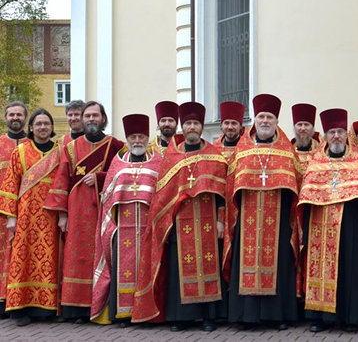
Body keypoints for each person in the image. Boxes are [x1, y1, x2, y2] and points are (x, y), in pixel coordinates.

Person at [132, 102, 227, 331]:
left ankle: (208, 318)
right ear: (182, 127)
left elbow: (224, 193)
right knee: (178, 270)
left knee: (208, 267)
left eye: (195, 123)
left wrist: (220, 219)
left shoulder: (215, 155)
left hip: (207, 221)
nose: (191, 127)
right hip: (179, 223)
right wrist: (165, 222)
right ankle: (180, 318)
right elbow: (163, 195)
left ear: (201, 127)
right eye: (188, 124)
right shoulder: (172, 156)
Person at [299, 108, 358, 333]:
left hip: (350, 228)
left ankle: (351, 318)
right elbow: (306, 196)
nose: (336, 136)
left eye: (340, 131)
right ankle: (320, 318)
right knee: (319, 271)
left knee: (350, 272)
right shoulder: (315, 163)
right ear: (326, 135)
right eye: (331, 132)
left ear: (346, 135)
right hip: (319, 227)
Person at [223, 94, 300, 330]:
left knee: (279, 263)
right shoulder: (243, 149)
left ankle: (276, 316)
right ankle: (245, 317)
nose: (265, 121)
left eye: (269, 117)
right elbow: (230, 186)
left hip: (277, 220)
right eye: (261, 117)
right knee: (245, 261)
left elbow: (296, 183)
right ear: (254, 120)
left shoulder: (286, 150)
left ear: (276, 121)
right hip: (246, 218)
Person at [44, 100, 125, 323]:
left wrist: (99, 178)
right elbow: (61, 179)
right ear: (82, 119)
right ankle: (77, 310)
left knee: (104, 256)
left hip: (105, 210)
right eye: (87, 116)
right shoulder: (71, 147)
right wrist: (62, 215)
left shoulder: (117, 146)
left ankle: (102, 306)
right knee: (77, 258)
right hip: (78, 211)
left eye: (95, 116)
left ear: (103, 118)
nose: (91, 119)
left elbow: (125, 174)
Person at [91, 114, 161, 326]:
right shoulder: (117, 162)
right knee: (123, 269)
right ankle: (123, 314)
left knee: (146, 269)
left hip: (148, 228)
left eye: (140, 136)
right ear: (127, 139)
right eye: (132, 137)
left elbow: (162, 193)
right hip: (122, 229)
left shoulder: (158, 161)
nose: (137, 141)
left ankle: (145, 312)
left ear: (147, 137)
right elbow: (107, 196)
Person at [0, 109, 60, 326]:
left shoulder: (60, 151)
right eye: (39, 124)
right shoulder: (21, 152)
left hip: (51, 215)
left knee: (49, 260)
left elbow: (64, 184)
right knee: (23, 258)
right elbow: (10, 184)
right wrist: (10, 217)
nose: (43, 127)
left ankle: (46, 309)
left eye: (46, 123)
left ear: (52, 128)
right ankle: (21, 309)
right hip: (25, 216)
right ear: (31, 127)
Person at [0, 101, 29, 314]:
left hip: (29, 211)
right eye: (11, 114)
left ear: (25, 118)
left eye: (19, 114)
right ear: (5, 118)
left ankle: (18, 301)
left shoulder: (34, 143)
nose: (15, 118)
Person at [291, 103, 321, 182]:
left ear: (313, 128)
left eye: (306, 125)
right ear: (294, 127)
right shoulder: (289, 150)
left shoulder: (321, 149)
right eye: (299, 125)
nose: (303, 128)